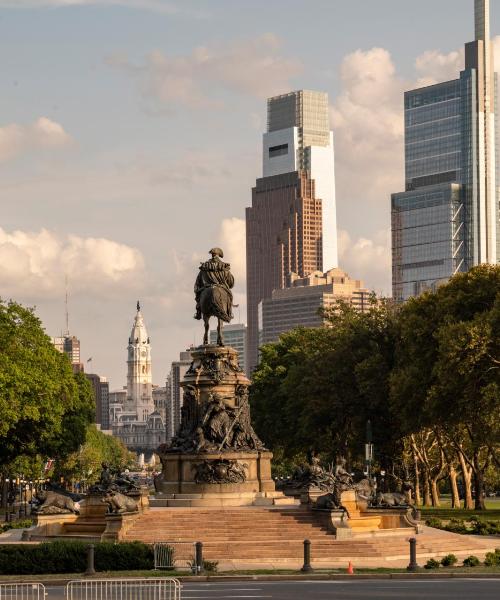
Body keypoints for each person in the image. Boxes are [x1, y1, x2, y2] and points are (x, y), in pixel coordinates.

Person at [194, 248, 234, 322]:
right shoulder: (224, 267)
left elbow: (198, 282)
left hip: (207, 287)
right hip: (221, 287)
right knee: (230, 296)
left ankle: (198, 312)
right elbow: (231, 283)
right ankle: (229, 313)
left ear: (212, 255)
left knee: (199, 296)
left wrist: (198, 289)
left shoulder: (204, 266)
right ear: (219, 255)